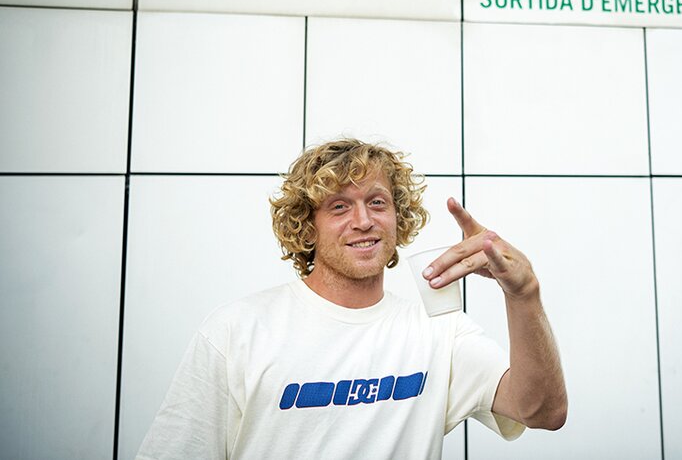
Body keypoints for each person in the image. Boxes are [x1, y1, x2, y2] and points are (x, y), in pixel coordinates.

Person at [137, 138, 567, 459]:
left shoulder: (439, 329)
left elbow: (543, 411)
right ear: (307, 227)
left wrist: (524, 294)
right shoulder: (237, 330)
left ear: (398, 217)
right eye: (339, 207)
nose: (363, 221)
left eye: (377, 202)